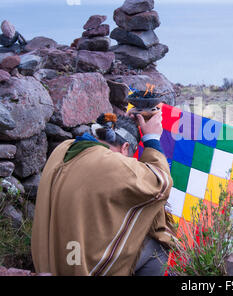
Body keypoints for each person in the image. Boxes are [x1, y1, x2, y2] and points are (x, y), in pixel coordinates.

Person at [31, 111, 176, 276]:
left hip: (48, 262)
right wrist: (151, 138)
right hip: (79, 269)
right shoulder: (113, 164)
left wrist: (123, 123)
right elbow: (160, 183)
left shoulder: (64, 148)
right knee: (158, 245)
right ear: (125, 147)